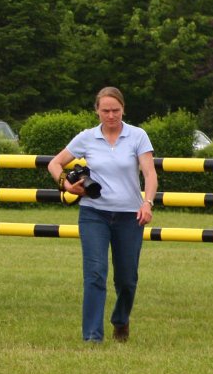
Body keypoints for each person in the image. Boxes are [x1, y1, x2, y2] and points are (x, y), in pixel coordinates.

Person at [48, 87, 158, 343]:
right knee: (95, 273)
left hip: (130, 216)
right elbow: (55, 163)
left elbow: (150, 173)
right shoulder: (86, 137)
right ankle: (92, 337)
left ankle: (121, 320)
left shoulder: (138, 136)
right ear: (97, 110)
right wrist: (66, 184)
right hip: (93, 214)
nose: (111, 115)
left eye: (116, 110)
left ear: (123, 109)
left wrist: (147, 203)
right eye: (106, 110)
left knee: (127, 279)